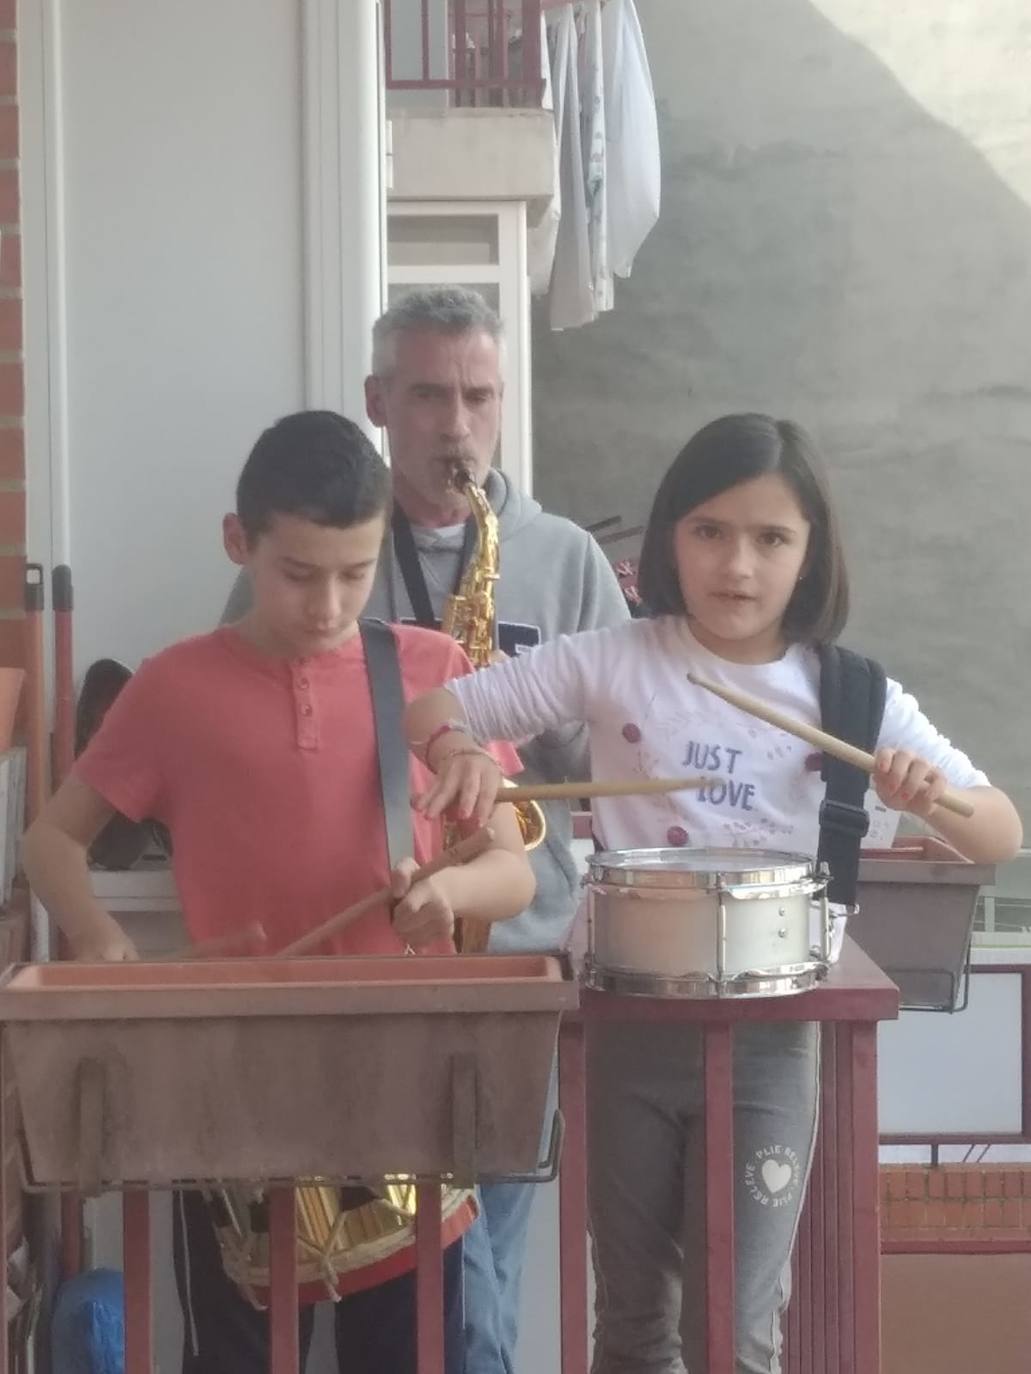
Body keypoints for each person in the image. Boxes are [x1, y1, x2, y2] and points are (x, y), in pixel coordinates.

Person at [403, 412, 1023, 1374]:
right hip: (628, 1025)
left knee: (736, 1329)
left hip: (776, 1038)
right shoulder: (616, 658)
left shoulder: (849, 694)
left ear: (811, 556)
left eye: (771, 538)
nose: (738, 565)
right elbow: (435, 707)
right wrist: (458, 756)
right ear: (669, 539)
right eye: (710, 532)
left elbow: (1000, 827)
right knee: (636, 1322)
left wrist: (927, 793)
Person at [22, 410, 536, 1374]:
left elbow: (509, 869)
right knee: (237, 1356)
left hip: (402, 1071)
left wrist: (453, 889)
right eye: (298, 573)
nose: (329, 603)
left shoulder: (429, 672)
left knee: (419, 1356)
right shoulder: (175, 685)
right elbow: (51, 840)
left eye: (354, 571)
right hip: (230, 1073)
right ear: (238, 542)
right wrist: (95, 934)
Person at [223, 286, 630, 1374]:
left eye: (479, 396)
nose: (456, 424)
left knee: (480, 1282)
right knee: (362, 1291)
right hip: (354, 965)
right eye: (429, 395)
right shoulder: (319, 544)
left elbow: (612, 768)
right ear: (377, 403)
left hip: (510, 959)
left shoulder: (559, 559)